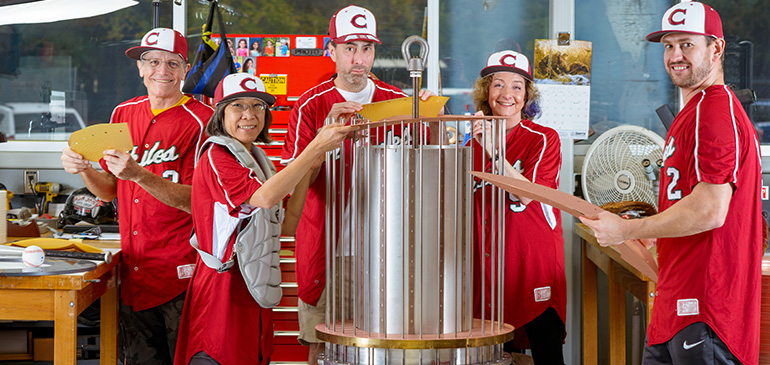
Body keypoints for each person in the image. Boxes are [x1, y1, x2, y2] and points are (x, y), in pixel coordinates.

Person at [579, 2, 762, 364]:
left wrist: (627, 229)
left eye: (687, 44)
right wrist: (659, 231)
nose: (675, 55)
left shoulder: (715, 110)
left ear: (717, 48)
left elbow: (710, 210)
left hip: (706, 311)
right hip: (676, 308)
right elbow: (688, 200)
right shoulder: (692, 112)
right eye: (668, 46)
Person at [280, 5, 439, 364]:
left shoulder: (397, 101)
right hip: (326, 249)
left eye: (366, 48)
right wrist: (321, 141)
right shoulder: (309, 106)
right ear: (331, 49)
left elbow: (425, 170)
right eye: (349, 47)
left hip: (384, 251)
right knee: (320, 345)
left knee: (380, 347)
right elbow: (292, 187)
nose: (358, 59)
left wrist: (430, 118)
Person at [174, 73, 353, 365]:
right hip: (223, 293)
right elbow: (264, 199)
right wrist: (314, 148)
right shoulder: (217, 156)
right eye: (238, 106)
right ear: (220, 114)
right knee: (217, 355)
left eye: (258, 106)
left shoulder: (258, 159)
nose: (250, 115)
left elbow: (287, 223)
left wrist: (312, 165)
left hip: (254, 289)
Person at [60, 28, 214, 364]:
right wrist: (84, 168)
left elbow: (197, 201)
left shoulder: (203, 121)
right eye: (153, 61)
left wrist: (138, 174)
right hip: (134, 267)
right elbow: (110, 190)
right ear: (140, 68)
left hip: (182, 271)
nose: (162, 70)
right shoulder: (122, 114)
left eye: (172, 63)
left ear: (186, 70)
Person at [470, 50, 565, 364]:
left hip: (533, 266)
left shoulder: (544, 138)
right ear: (487, 92)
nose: (506, 94)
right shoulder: (471, 143)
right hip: (489, 272)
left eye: (516, 86)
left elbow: (527, 195)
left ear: (527, 96)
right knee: (495, 357)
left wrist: (495, 153)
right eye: (498, 85)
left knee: (546, 354)